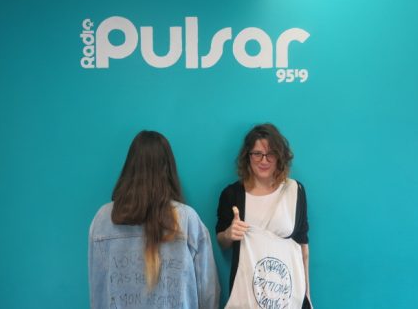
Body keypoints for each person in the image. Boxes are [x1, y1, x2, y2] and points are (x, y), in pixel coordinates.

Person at [89, 130, 220, 309]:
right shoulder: (187, 219)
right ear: (168, 168)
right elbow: (207, 292)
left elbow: (98, 292)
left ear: (130, 166)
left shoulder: (103, 219)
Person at [216, 123, 312, 309]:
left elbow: (303, 247)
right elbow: (221, 241)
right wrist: (229, 234)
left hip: (288, 297)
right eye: (257, 153)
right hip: (246, 298)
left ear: (280, 157)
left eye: (271, 154)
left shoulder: (295, 191)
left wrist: (307, 295)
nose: (264, 160)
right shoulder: (232, 194)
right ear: (247, 156)